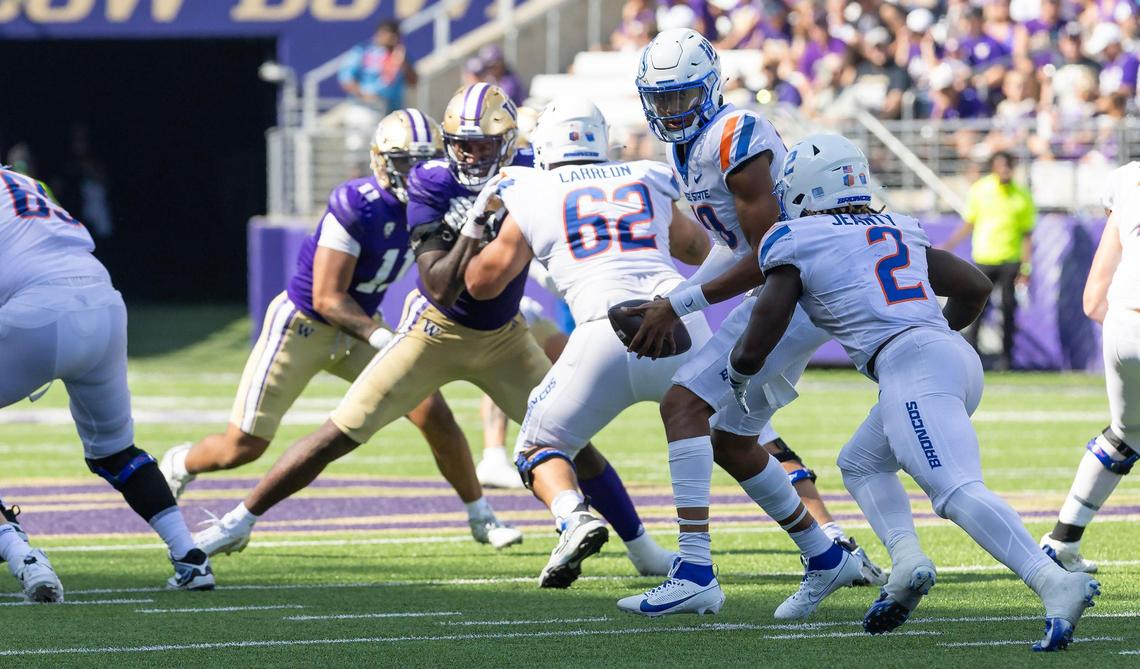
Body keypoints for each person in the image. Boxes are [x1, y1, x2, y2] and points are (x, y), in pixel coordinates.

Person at [193, 84, 676, 578]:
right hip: (433, 330)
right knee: (341, 430)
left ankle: (641, 550)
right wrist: (475, 222)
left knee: (570, 442)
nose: (472, 155)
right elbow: (440, 286)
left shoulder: (535, 166)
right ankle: (238, 521)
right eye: (463, 145)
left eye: (485, 146)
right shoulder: (431, 183)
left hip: (504, 335)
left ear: (509, 143)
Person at [729, 132, 1100, 653]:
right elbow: (973, 286)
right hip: (948, 359)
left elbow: (766, 324)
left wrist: (740, 371)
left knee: (954, 489)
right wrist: (939, 340)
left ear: (807, 188)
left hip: (910, 365)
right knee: (860, 462)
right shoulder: (896, 224)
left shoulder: (798, 237)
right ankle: (907, 564)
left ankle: (1052, 580)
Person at [159, 110, 520, 547]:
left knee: (435, 416)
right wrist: (382, 336)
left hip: (362, 328)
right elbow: (328, 298)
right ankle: (181, 463)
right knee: (243, 447)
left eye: (424, 161)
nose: (415, 172)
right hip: (305, 325)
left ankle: (481, 516)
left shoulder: (439, 198)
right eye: (404, 161)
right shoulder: (359, 204)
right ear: (381, 160)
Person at [615, 29, 864, 619]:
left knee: (681, 405)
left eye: (681, 97)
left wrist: (677, 305)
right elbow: (735, 247)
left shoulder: (737, 135)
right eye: (662, 98)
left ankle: (696, 569)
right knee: (730, 440)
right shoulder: (692, 144)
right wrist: (674, 293)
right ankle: (826, 556)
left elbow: (771, 250)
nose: (672, 110)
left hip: (800, 290)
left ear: (711, 87)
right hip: (791, 286)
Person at [463, 97, 713, 587]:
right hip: (682, 324)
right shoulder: (643, 174)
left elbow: (482, 283)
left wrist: (477, 227)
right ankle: (823, 542)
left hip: (605, 331)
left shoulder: (529, 188)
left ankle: (573, 514)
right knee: (746, 443)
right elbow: (696, 248)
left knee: (539, 447)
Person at [0, 166, 214, 598]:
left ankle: (20, 553)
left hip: (38, 311)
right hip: (102, 302)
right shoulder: (23, 182)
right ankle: (190, 557)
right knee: (115, 452)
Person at [1040, 161, 1140, 572]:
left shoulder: (1128, 178)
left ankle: (1063, 541)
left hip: (1121, 321)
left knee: (1126, 434)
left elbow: (1092, 301)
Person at [942, 151, 1035, 370]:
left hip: (1010, 261)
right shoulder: (981, 190)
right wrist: (949, 246)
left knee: (1008, 311)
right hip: (984, 258)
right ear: (994, 167)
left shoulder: (1022, 195)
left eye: (1008, 166)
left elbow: (1027, 234)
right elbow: (969, 222)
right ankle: (972, 355)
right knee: (976, 310)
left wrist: (1026, 265)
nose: (1005, 170)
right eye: (1001, 166)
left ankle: (1007, 360)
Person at [338, 20, 417, 117]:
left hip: (393, 110)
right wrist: (363, 94)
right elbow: (346, 78)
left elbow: (414, 82)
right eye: (390, 35)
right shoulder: (362, 51)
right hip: (366, 108)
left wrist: (403, 64)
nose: (393, 39)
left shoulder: (400, 55)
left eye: (396, 35)